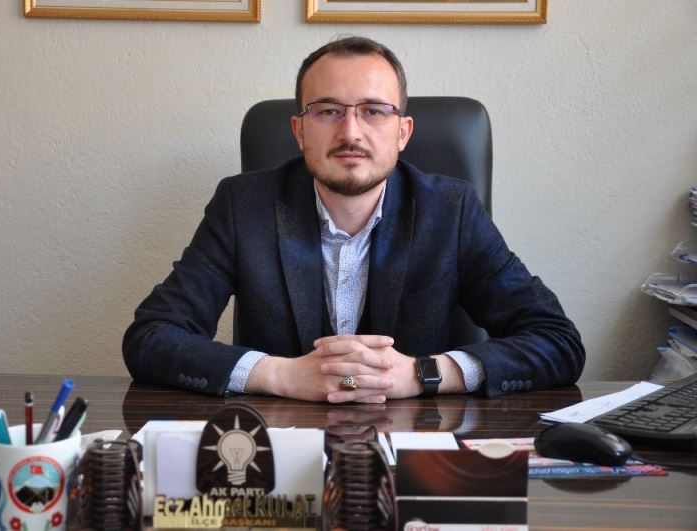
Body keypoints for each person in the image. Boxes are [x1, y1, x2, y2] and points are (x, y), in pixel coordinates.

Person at [123, 36, 585, 403]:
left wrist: (422, 373)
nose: (350, 132)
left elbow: (557, 341)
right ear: (299, 130)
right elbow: (151, 337)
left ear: (402, 132)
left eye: (373, 111)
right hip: (282, 449)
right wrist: (280, 375)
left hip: (416, 448)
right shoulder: (243, 206)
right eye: (328, 111)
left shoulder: (452, 209)